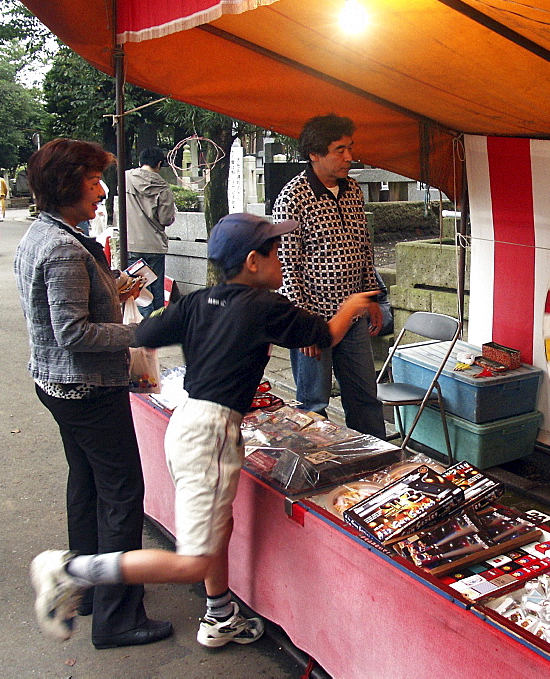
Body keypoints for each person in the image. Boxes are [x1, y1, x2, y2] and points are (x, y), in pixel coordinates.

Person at [28, 212, 377, 648]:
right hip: (209, 434)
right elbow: (324, 335)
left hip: (189, 424)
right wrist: (350, 306)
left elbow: (146, 332)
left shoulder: (197, 301)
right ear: (253, 261)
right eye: (277, 252)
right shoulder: (266, 306)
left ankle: (220, 615)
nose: (284, 260)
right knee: (192, 562)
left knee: (219, 527)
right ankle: (69, 571)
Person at [15, 139, 172, 650]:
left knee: (85, 483)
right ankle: (118, 617)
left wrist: (114, 291)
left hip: (58, 384)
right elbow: (73, 332)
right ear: (67, 186)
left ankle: (80, 583)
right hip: (84, 388)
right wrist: (143, 333)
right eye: (92, 181)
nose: (102, 191)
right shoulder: (61, 245)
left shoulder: (47, 234)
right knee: (123, 494)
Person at [272, 114, 386, 438]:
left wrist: (370, 299)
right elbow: (287, 268)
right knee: (313, 405)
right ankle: (318, 474)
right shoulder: (292, 197)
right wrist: (304, 326)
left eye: (350, 148)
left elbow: (364, 249)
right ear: (315, 154)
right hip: (314, 323)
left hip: (354, 319)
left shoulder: (353, 191)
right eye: (339, 150)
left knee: (365, 398)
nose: (349, 157)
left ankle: (376, 465)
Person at [124, 147, 176, 316]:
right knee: (156, 289)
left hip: (131, 243)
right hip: (154, 245)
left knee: (137, 289)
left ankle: (142, 328)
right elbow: (166, 220)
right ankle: (157, 328)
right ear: (159, 164)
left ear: (140, 161)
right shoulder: (163, 188)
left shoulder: (126, 178)